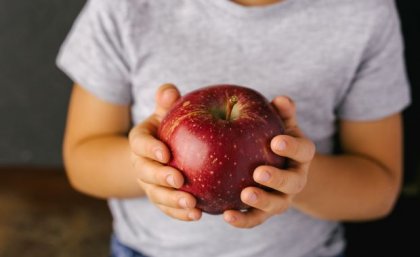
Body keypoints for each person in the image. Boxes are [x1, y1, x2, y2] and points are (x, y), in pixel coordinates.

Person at [56, 0, 411, 256]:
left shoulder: (365, 13)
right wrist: (151, 168)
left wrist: (293, 177)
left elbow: (378, 189)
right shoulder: (124, 8)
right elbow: (82, 158)